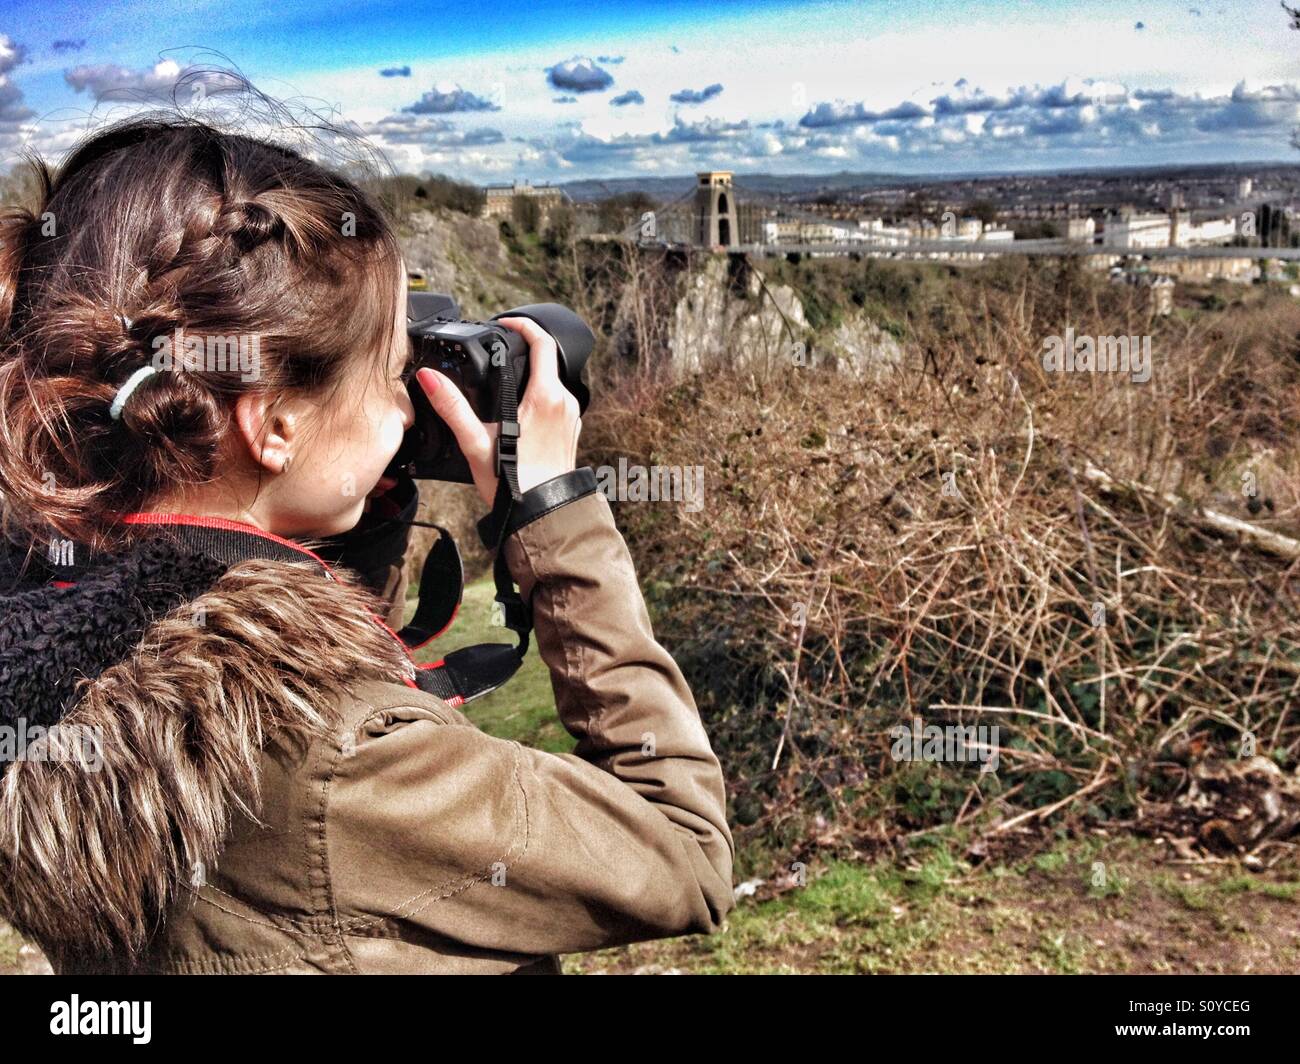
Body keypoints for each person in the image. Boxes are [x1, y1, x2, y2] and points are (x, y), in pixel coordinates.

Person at [0, 112, 734, 974]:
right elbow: (683, 855)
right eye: (392, 377)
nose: (405, 409)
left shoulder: (54, 628)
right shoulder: (341, 758)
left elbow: (230, 605)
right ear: (274, 423)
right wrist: (555, 515)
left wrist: (352, 507)